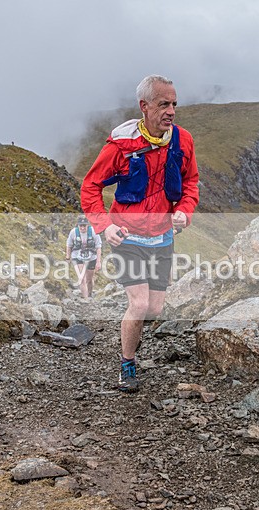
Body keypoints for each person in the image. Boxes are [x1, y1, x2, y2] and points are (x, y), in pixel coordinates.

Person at [80, 74, 200, 393]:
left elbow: (190, 183)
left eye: (174, 104)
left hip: (162, 237)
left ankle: (132, 335)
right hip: (127, 236)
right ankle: (127, 365)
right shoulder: (122, 145)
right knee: (139, 302)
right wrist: (105, 227)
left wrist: (184, 211)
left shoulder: (183, 140)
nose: (171, 111)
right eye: (164, 104)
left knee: (155, 308)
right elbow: (90, 187)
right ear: (144, 107)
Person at [65, 214, 102, 299]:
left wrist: (98, 262)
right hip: (77, 257)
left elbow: (98, 247)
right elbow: (69, 245)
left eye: (84, 225)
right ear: (78, 225)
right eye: (80, 226)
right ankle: (85, 300)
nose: (82, 228)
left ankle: (89, 294)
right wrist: (68, 257)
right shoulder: (73, 232)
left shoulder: (93, 232)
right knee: (82, 278)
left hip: (91, 257)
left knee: (89, 279)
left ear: (87, 225)